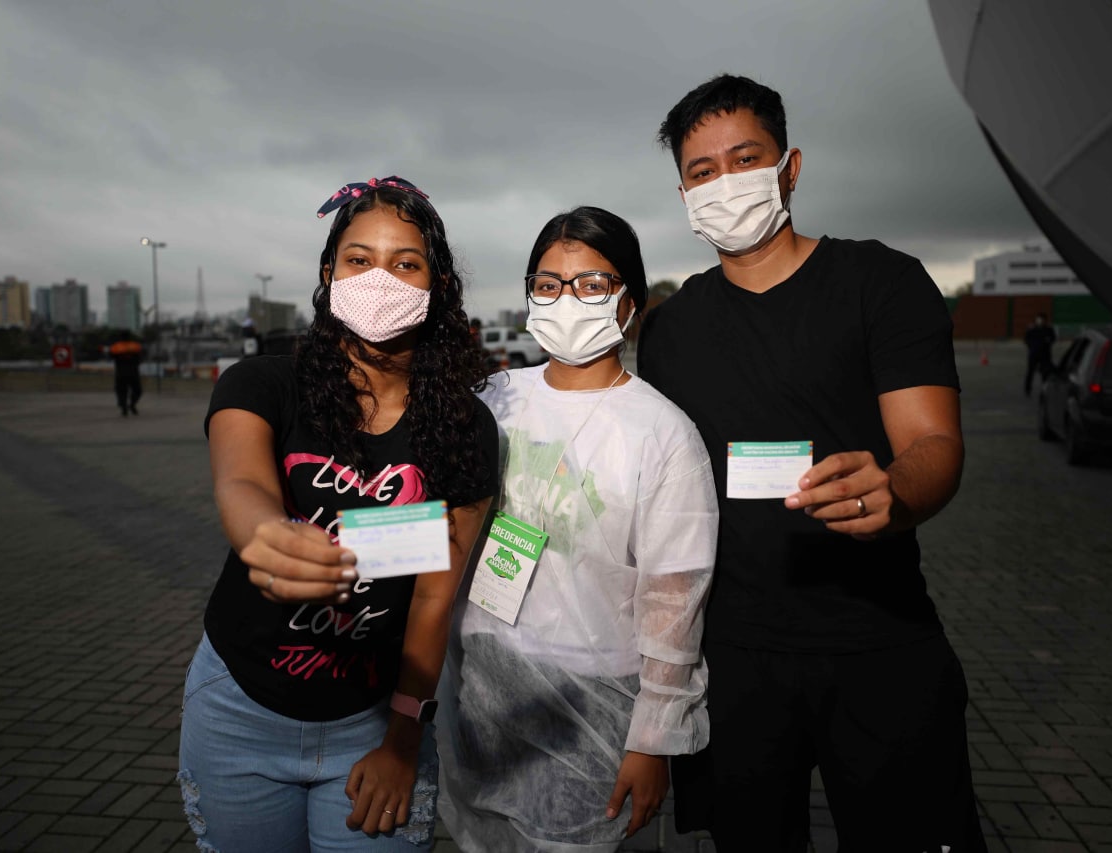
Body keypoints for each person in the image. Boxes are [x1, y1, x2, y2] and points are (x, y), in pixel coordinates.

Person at [638, 75, 985, 852]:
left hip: (879, 641)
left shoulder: (881, 283)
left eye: (745, 157)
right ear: (684, 193)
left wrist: (895, 489)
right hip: (731, 659)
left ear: (789, 167)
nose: (724, 183)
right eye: (701, 171)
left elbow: (937, 446)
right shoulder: (670, 331)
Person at [178, 176, 499, 851]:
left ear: (436, 283)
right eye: (359, 259)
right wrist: (266, 534)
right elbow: (240, 480)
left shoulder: (464, 425)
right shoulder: (264, 381)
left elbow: (434, 602)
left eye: (405, 262)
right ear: (329, 273)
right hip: (239, 708)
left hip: (375, 718)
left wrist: (404, 738)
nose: (379, 278)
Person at [437, 206, 718, 852]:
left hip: (592, 702)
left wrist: (651, 740)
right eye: (548, 283)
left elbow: (674, 602)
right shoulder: (495, 398)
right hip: (481, 685)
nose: (568, 300)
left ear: (631, 302)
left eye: (593, 283)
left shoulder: (662, 431)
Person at [108, 330, 143, 416]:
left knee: (121, 391)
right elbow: (140, 358)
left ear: (120, 337)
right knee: (137, 390)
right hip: (133, 372)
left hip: (120, 372)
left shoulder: (115, 347)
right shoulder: (136, 346)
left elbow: (110, 357)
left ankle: (124, 407)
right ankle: (132, 404)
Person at [1023, 311, 1056, 395]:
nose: (1040, 321)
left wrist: (1048, 342)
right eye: (1038, 319)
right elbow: (1026, 339)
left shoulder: (1049, 329)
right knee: (1030, 372)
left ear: (1045, 320)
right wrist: (1032, 346)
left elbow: (1053, 339)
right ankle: (1028, 389)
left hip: (1045, 355)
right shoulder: (1032, 329)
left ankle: (1044, 391)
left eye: (1042, 319)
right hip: (1034, 354)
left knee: (1045, 374)